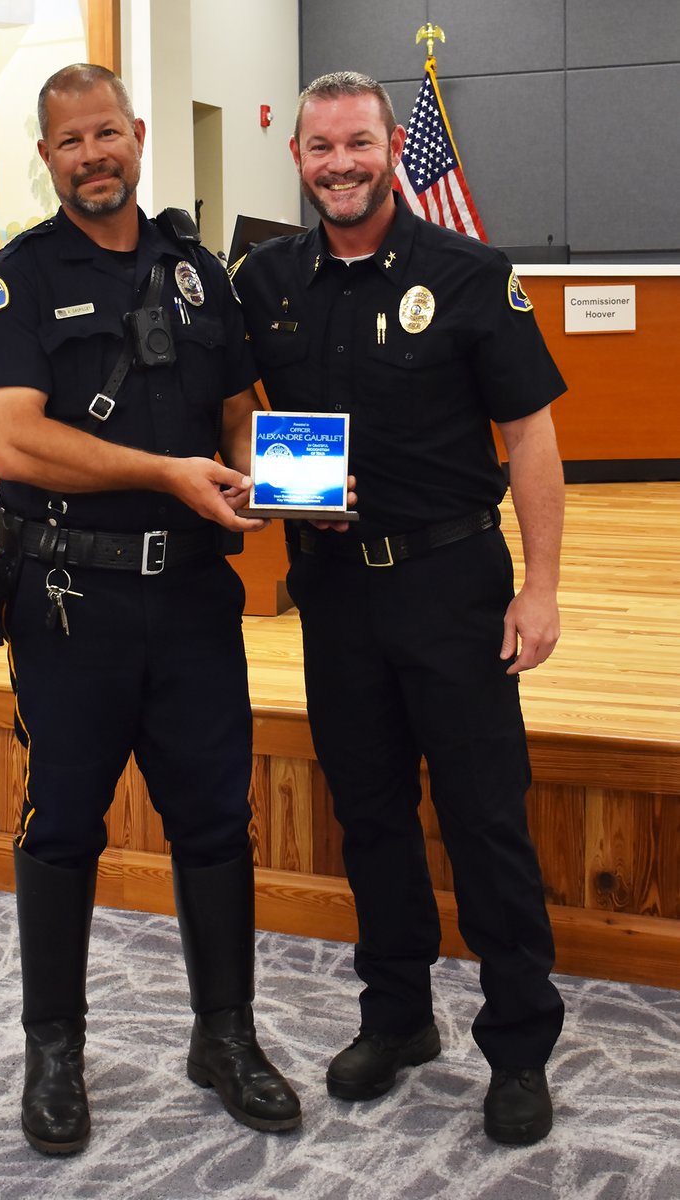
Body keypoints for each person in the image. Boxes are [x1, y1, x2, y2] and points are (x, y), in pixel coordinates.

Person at [0, 63, 301, 1155]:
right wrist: (165, 471)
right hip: (69, 602)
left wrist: (290, 483)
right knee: (62, 827)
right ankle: (52, 1051)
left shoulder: (199, 274)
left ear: (136, 135)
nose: (93, 155)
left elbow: (239, 416)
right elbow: (14, 438)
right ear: (48, 156)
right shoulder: (15, 280)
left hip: (195, 602)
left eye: (106, 134)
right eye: (70, 142)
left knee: (215, 821)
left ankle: (225, 1036)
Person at [231, 71, 567, 1146]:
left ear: (388, 149)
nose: (340, 163)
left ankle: (516, 1046)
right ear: (297, 159)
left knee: (482, 820)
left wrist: (541, 587)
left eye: (358, 143)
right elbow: (244, 415)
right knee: (368, 814)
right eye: (321, 147)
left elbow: (528, 438)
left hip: (451, 587)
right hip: (331, 594)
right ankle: (398, 1017)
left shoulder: (467, 273)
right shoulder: (265, 278)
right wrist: (281, 488)